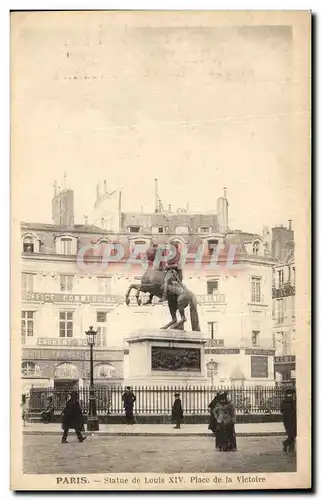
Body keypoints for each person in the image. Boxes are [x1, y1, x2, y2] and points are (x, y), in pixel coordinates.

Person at [280, 387, 297, 452]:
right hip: (293, 419)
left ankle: (288, 446)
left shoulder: (283, 401)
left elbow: (281, 410)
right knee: (293, 434)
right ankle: (286, 444)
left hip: (286, 420)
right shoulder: (293, 402)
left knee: (291, 434)